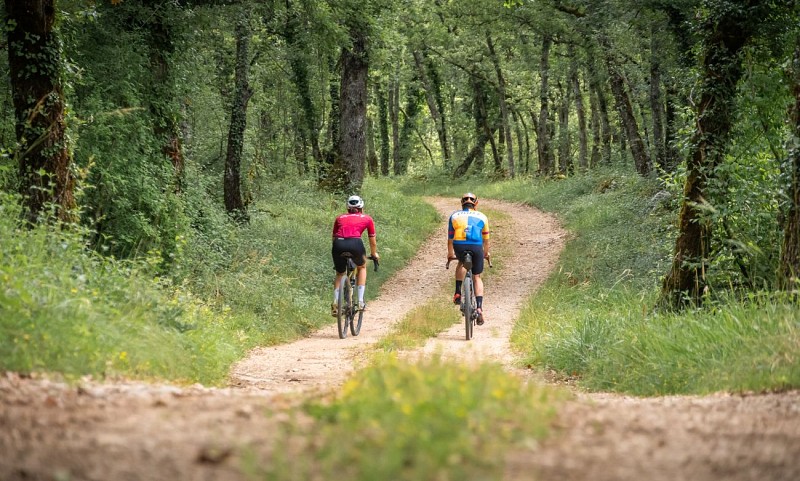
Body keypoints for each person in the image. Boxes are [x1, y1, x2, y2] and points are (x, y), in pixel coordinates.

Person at [331, 195, 379, 316]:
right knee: (362, 267)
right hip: (355, 244)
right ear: (361, 207)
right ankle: (361, 301)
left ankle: (335, 303)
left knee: (339, 273)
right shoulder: (367, 218)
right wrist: (374, 254)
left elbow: (333, 238)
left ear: (348, 207)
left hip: (338, 244)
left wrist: (338, 254)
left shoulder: (339, 218)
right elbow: (372, 241)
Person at [447, 192, 490, 325]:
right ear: (476, 203)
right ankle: (479, 307)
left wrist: (450, 254)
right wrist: (486, 254)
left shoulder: (454, 216)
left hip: (459, 245)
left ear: (462, 203)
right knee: (476, 276)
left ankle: (457, 292)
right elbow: (486, 241)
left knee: (461, 262)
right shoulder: (483, 216)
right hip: (476, 246)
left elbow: (450, 239)